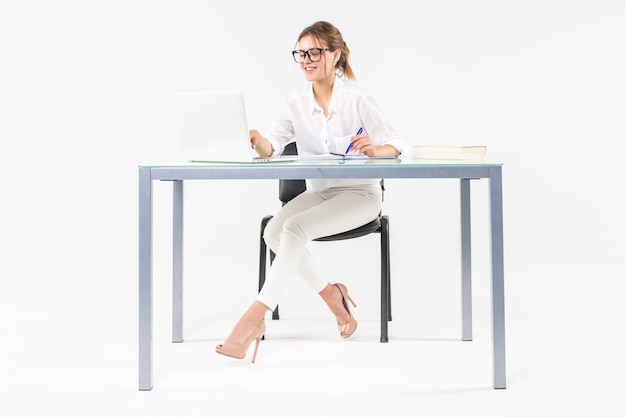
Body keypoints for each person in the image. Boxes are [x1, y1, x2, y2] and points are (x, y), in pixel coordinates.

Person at [215, 21, 407, 362]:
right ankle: (335, 298)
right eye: (301, 53)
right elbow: (271, 147)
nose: (306, 59)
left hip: (359, 195)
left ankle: (252, 319)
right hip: (319, 193)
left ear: (336, 55)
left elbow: (398, 143)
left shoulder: (359, 100)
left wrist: (378, 149)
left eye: (315, 52)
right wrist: (258, 141)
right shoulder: (294, 103)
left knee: (294, 228)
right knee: (274, 232)